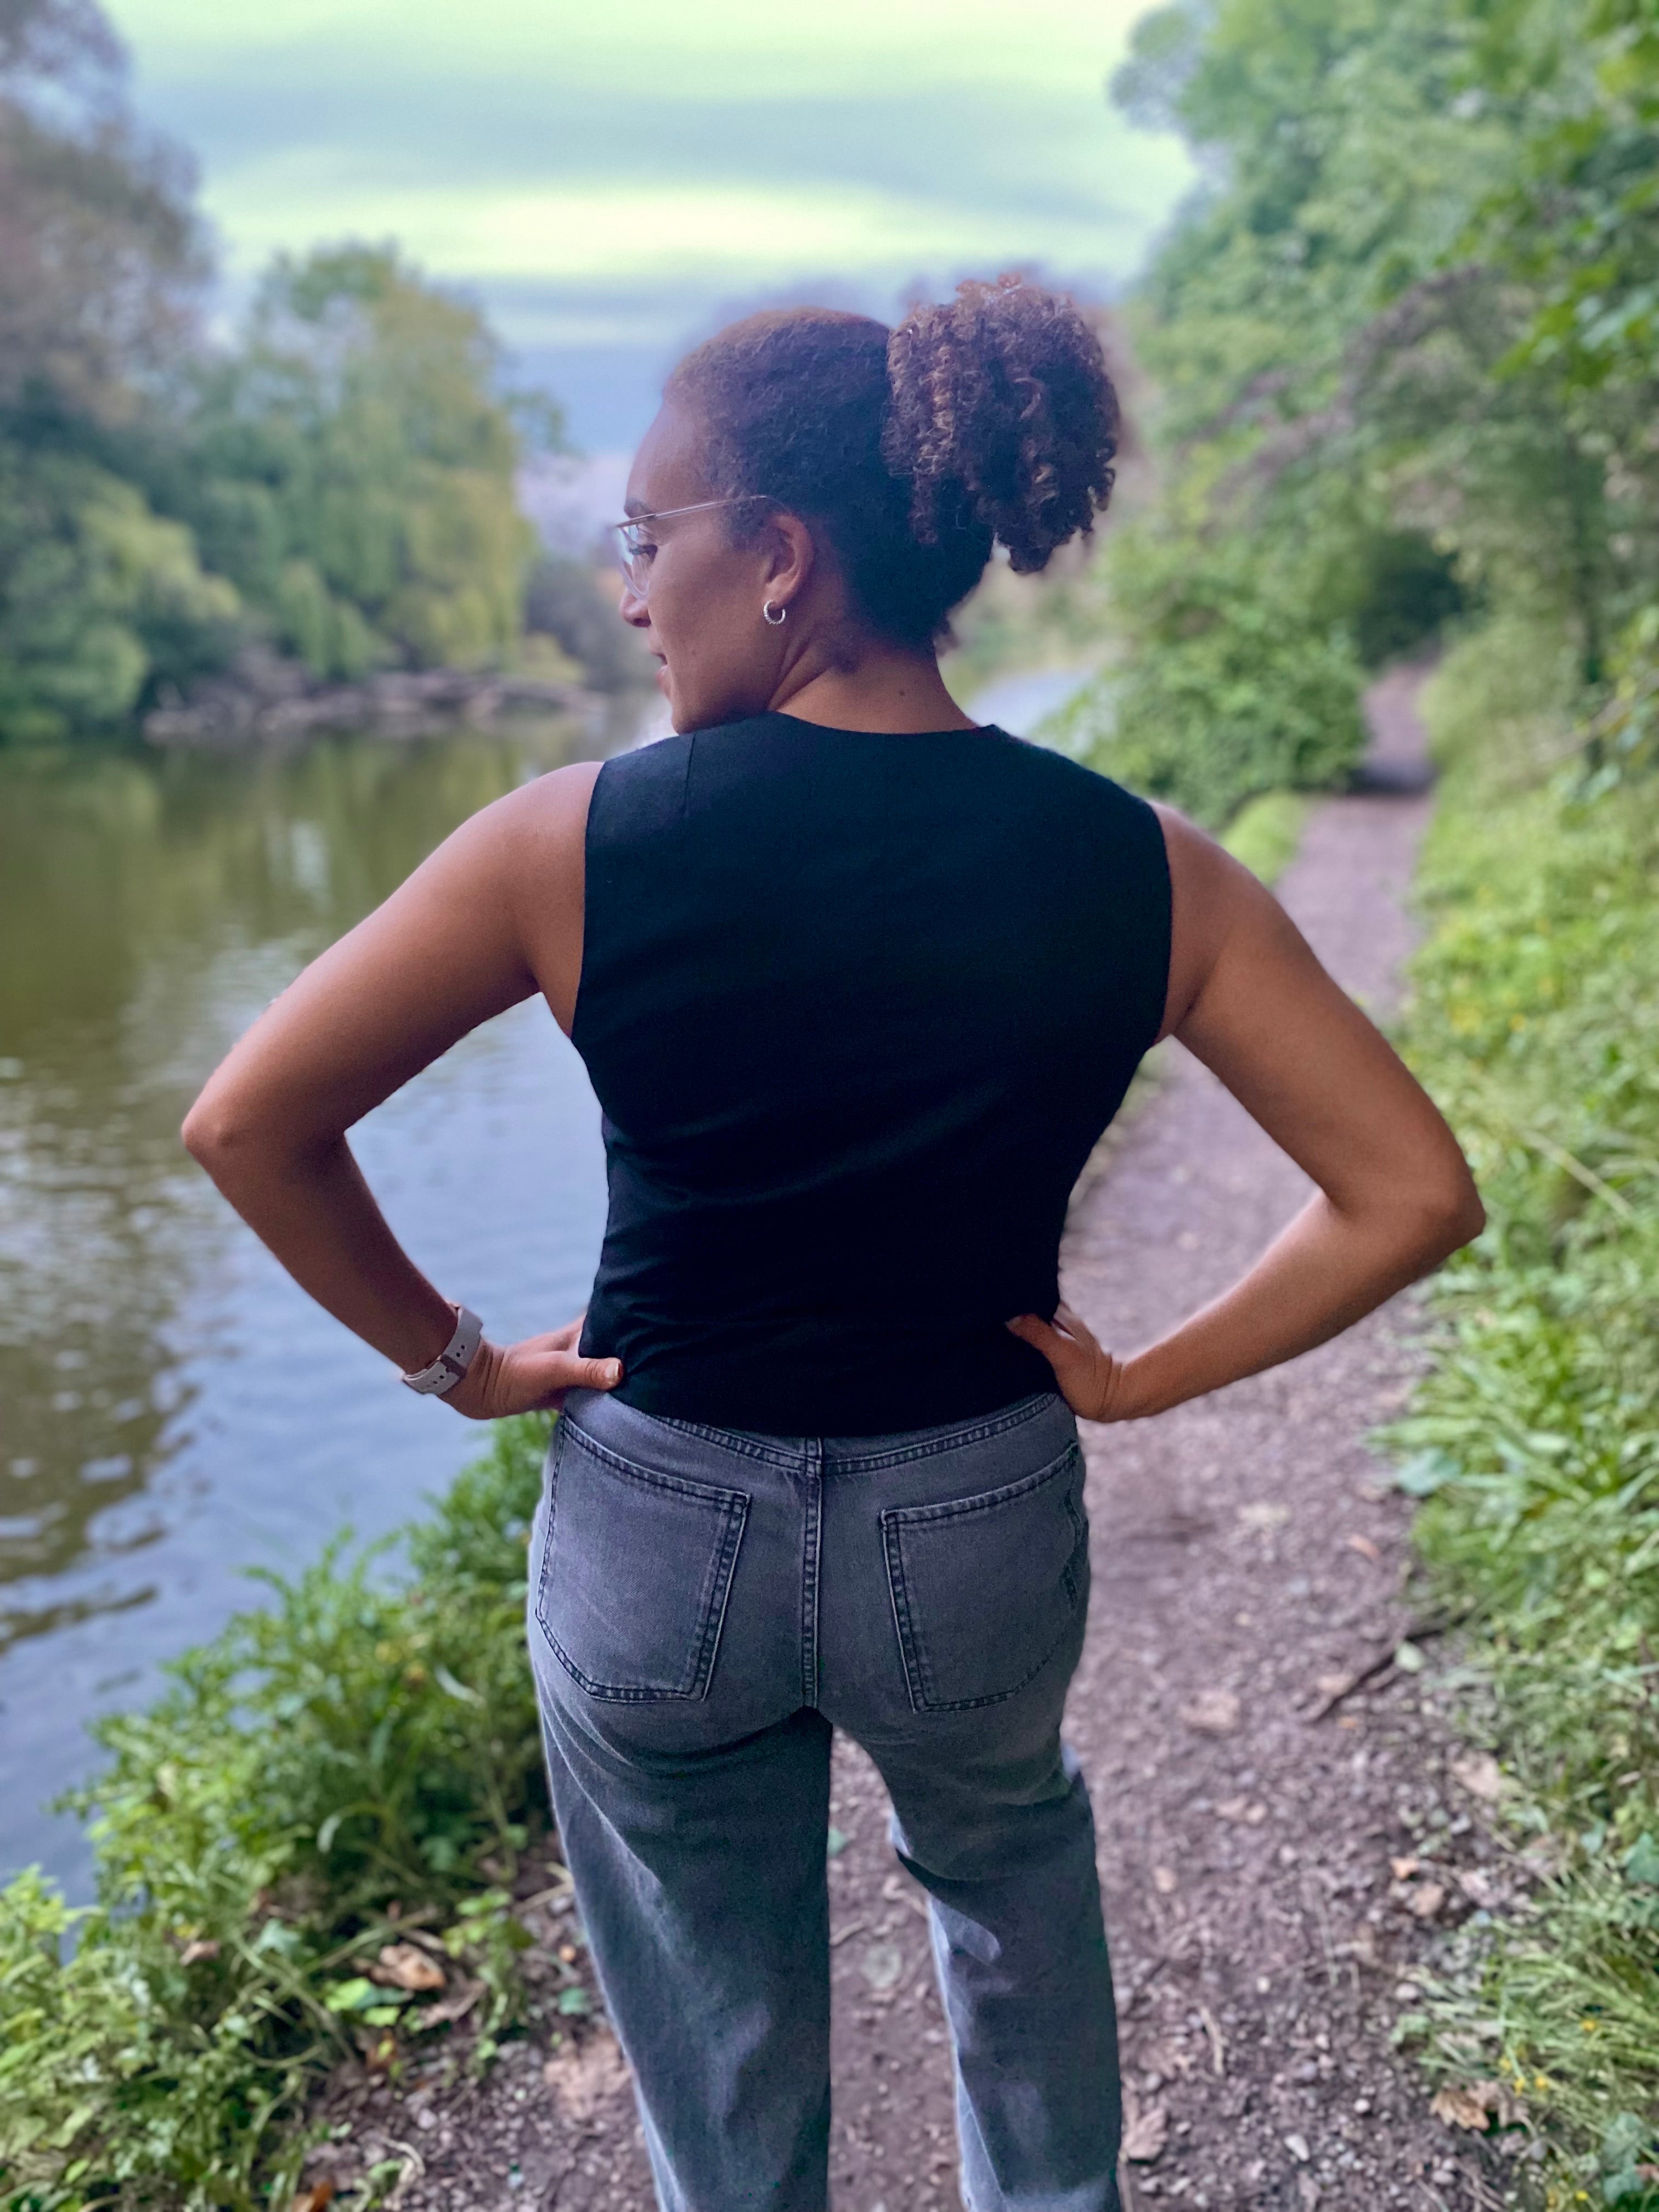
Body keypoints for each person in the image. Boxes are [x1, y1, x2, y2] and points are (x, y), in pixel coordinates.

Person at [182, 275, 1483, 2212]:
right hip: (973, 1513)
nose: (631, 595)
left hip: (658, 1528)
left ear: (780, 555)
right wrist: (1140, 1381)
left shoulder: (563, 844)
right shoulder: (1146, 864)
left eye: (647, 538)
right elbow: (1414, 1193)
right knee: (1008, 1872)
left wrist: (457, 1364)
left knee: (714, 2004)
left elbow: (247, 1124)